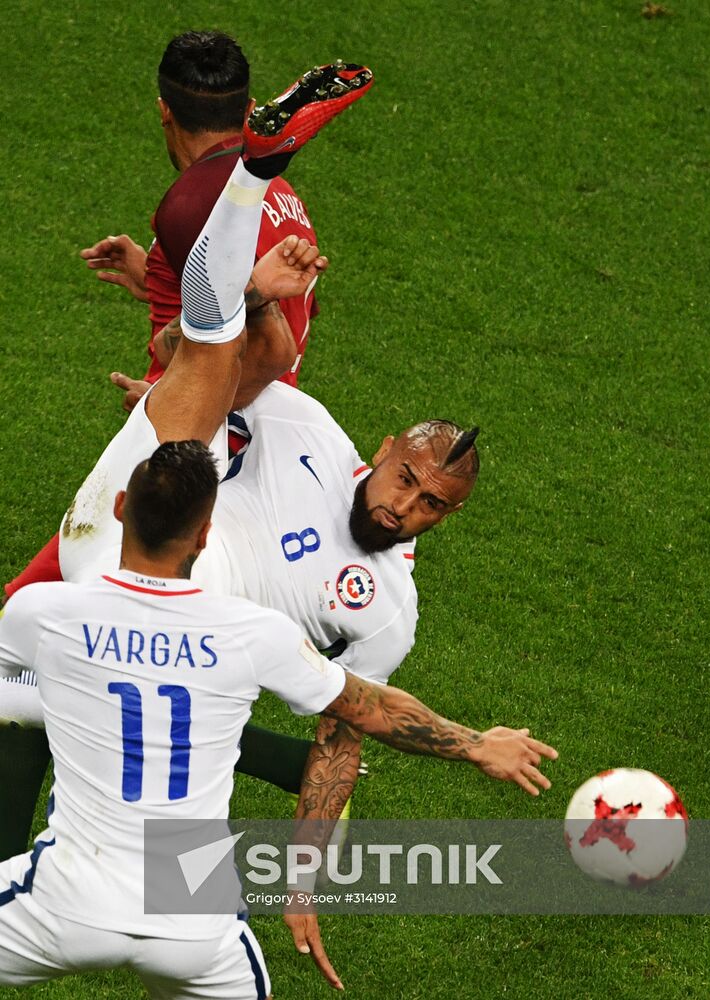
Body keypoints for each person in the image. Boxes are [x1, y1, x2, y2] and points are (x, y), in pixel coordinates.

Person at [0, 86, 541, 986]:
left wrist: (303, 881)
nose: (408, 506)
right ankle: (251, 198)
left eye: (433, 505)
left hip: (115, 571)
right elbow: (364, 715)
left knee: (228, 358)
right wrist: (473, 742)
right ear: (380, 454)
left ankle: (253, 175)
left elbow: (344, 738)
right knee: (256, 356)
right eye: (408, 479)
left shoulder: (385, 614)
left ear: (450, 519)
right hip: (176, 624)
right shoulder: (307, 439)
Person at [0, 439, 558, 998]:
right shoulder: (253, 635)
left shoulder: (43, 614)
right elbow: (375, 710)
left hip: (62, 902)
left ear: (119, 508)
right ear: (203, 534)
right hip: (195, 922)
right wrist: (476, 743)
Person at [80, 31, 334, 396]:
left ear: (164, 111)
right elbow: (299, 308)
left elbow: (265, 348)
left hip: (215, 432)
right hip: (273, 423)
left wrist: (160, 404)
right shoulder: (282, 194)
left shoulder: (192, 206)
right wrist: (161, 278)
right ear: (249, 111)